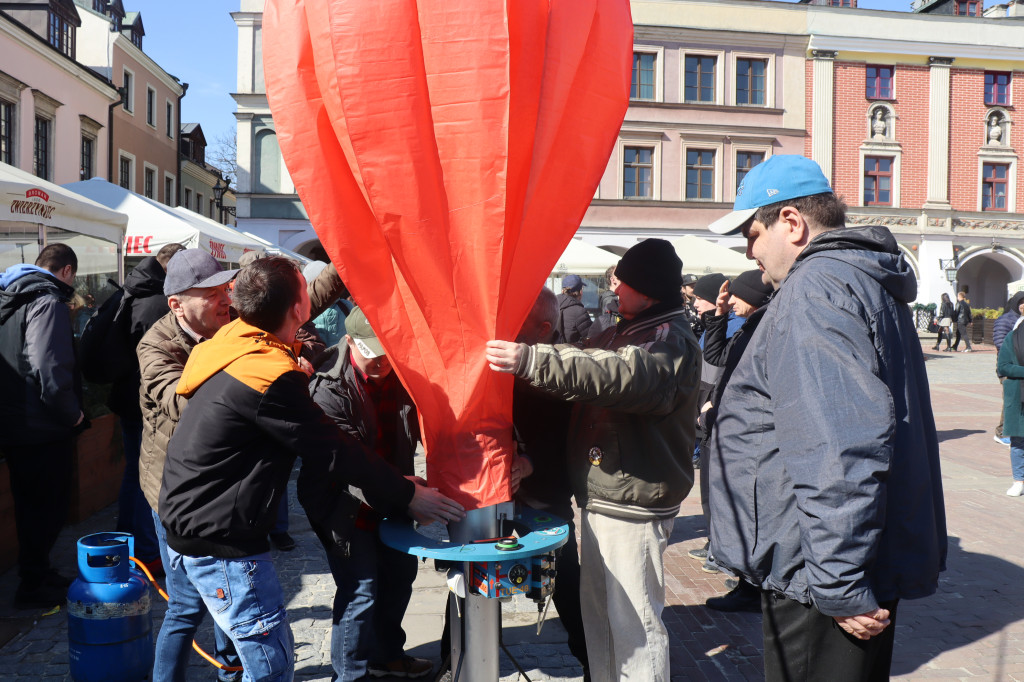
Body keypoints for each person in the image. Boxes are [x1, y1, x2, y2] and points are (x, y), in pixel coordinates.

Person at [158, 256, 465, 681]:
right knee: (271, 665)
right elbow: (335, 450)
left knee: (255, 657)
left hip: (193, 520)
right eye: (306, 292)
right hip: (223, 538)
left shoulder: (234, 340)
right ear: (299, 310)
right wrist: (409, 493)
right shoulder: (269, 376)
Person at [707, 154, 947, 682]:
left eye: (752, 234)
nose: (749, 251)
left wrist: (839, 583)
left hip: (818, 571)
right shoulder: (855, 279)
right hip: (834, 559)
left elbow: (837, 446)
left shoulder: (816, 290)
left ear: (791, 223)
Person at [486, 238, 700, 682]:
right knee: (601, 618)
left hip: (634, 502)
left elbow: (616, 373)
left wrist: (529, 359)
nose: (614, 286)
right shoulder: (628, 326)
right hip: (608, 494)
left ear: (650, 289)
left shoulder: (668, 339)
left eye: (623, 279)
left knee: (633, 624)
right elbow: (586, 360)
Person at [140, 249, 351, 681]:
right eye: (211, 294)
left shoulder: (234, 327)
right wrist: (273, 377)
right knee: (186, 610)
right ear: (176, 304)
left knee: (227, 609)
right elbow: (186, 404)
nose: (225, 301)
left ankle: (232, 673)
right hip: (177, 495)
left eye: (227, 289)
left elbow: (300, 300)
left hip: (229, 495)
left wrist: (347, 259)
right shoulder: (157, 345)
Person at [305, 306, 434, 680]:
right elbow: (351, 466)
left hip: (393, 495)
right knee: (360, 590)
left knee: (399, 576)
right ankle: (349, 674)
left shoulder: (404, 374)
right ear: (348, 342)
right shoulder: (328, 386)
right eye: (371, 352)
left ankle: (387, 656)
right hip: (344, 503)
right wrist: (409, 492)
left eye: (387, 353)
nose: (380, 361)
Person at [0, 244, 86, 609]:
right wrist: (73, 415)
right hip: (42, 424)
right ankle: (33, 583)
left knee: (30, 505)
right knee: (47, 507)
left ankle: (38, 572)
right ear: (66, 270)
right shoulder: (47, 301)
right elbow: (46, 366)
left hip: (17, 420)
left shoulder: (12, 296)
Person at [110, 243, 185, 574]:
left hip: (128, 397)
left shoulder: (136, 290)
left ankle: (129, 542)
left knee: (135, 473)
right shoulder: (154, 302)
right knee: (146, 474)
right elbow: (152, 360)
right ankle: (142, 547)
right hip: (143, 403)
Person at [997, 297, 1024, 497]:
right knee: (1018, 441)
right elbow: (1003, 366)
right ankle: (1019, 480)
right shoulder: (1012, 339)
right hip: (1019, 396)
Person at [992, 292, 1024, 445]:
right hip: (1008, 365)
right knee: (1010, 398)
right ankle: (1002, 432)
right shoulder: (1006, 319)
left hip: (1018, 365)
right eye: (1021, 302)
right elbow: (1000, 341)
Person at [553, 273, 592, 343]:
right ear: (581, 292)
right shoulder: (579, 312)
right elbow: (591, 339)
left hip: (551, 352)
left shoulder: (551, 307)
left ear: (562, 291)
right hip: (571, 352)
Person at [587, 265, 619, 338]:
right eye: (619, 277)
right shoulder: (610, 299)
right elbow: (610, 322)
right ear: (613, 280)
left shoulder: (607, 296)